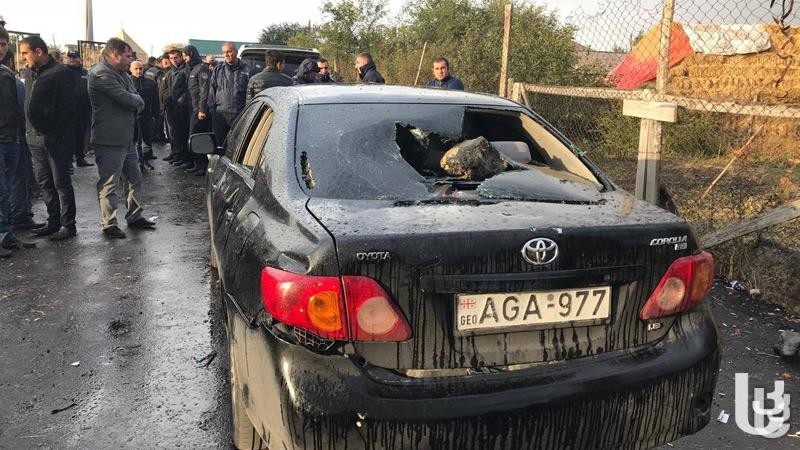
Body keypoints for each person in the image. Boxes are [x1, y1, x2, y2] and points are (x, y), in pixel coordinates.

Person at [88, 37, 155, 239]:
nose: (130, 60)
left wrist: (134, 100)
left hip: (127, 138)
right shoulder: (100, 73)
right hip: (109, 139)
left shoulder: (122, 74)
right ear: (115, 55)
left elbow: (135, 97)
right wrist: (134, 100)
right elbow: (126, 99)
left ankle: (134, 216)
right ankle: (109, 224)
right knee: (109, 183)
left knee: (135, 179)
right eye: (127, 56)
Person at [19, 35, 77, 241]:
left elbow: (70, 108)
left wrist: (54, 131)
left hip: (56, 138)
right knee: (44, 182)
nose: (22, 57)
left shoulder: (61, 73)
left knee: (61, 182)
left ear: (38, 51)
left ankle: (68, 224)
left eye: (25, 52)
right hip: (34, 139)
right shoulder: (29, 74)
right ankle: (53, 221)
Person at [0, 27, 29, 256]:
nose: (1, 49)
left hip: (11, 138)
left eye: (3, 44)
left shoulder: (6, 73)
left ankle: (7, 235)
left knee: (8, 188)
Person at [207, 42, 252, 144]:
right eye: (224, 52)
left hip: (239, 116)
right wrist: (212, 112)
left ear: (235, 52)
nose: (226, 55)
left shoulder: (247, 70)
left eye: (229, 52)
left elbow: (251, 94)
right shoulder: (218, 70)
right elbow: (211, 92)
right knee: (221, 146)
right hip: (220, 116)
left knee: (238, 146)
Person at [64, 50, 94, 167]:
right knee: (69, 137)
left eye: (74, 57)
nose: (72, 59)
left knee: (81, 136)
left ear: (79, 59)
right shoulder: (63, 72)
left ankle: (80, 158)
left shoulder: (85, 73)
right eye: (70, 57)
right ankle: (69, 161)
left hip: (83, 110)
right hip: (69, 111)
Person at [185, 45, 211, 175]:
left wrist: (202, 109)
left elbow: (204, 90)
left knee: (198, 137)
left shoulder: (202, 68)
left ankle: (203, 166)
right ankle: (197, 164)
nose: (185, 59)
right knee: (193, 137)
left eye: (186, 56)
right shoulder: (192, 68)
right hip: (192, 108)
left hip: (199, 110)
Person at [163, 48, 191, 166]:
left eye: (176, 58)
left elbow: (190, 87)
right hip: (171, 106)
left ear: (181, 57)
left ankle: (183, 157)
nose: (173, 60)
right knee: (173, 133)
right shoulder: (170, 72)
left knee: (183, 133)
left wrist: (183, 98)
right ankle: (176, 154)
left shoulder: (186, 70)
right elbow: (165, 89)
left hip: (182, 107)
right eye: (171, 58)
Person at [130, 60, 157, 171]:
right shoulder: (127, 82)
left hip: (147, 116)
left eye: (140, 68)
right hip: (133, 117)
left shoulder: (150, 83)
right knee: (137, 142)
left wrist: (156, 114)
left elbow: (155, 100)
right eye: (136, 69)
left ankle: (144, 160)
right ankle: (139, 163)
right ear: (131, 69)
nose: (139, 71)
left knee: (147, 140)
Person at [144, 55, 167, 146]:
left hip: (148, 97)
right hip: (156, 97)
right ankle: (160, 136)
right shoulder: (159, 72)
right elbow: (160, 87)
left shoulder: (148, 70)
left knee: (151, 118)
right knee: (159, 117)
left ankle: (152, 135)